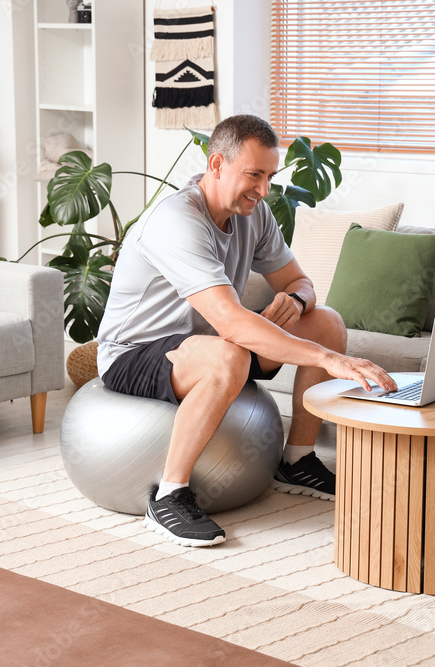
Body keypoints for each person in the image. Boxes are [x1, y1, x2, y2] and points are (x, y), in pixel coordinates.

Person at [96, 114, 396, 547]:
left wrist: (294, 302)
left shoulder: (252, 214)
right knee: (232, 353)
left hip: (212, 342)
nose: (264, 189)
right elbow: (231, 320)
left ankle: (296, 460)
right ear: (216, 165)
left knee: (325, 322)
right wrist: (329, 361)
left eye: (270, 176)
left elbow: (302, 283)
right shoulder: (176, 221)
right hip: (135, 351)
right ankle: (169, 495)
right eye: (254, 175)